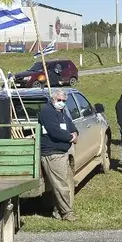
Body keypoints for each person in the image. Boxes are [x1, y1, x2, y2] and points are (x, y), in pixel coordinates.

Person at [38, 89, 80, 221]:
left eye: (64, 101)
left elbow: (72, 126)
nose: (61, 103)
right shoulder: (47, 112)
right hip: (52, 153)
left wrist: (75, 134)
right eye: (59, 100)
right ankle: (67, 213)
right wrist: (70, 137)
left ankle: (58, 212)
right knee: (61, 185)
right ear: (53, 99)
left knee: (66, 183)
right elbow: (54, 131)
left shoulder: (61, 113)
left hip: (63, 153)